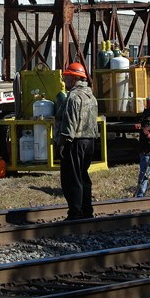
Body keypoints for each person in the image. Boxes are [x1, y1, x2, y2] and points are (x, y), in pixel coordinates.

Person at [54, 61, 100, 220]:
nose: (64, 80)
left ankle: (75, 213)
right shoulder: (91, 97)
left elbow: (69, 122)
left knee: (71, 178)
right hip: (89, 141)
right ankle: (87, 211)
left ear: (74, 79)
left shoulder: (73, 97)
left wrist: (61, 142)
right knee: (83, 176)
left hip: (75, 142)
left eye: (67, 77)